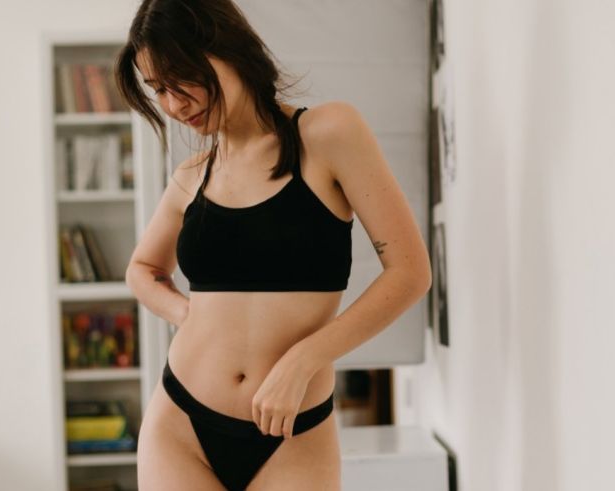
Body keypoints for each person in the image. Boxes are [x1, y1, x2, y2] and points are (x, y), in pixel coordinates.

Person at [114, 0, 432, 489]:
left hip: (293, 431)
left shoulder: (328, 133)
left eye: (181, 78)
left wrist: (304, 359)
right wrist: (186, 314)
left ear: (228, 47)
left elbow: (410, 272)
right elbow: (142, 268)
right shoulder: (191, 177)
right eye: (158, 89)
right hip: (181, 426)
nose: (174, 105)